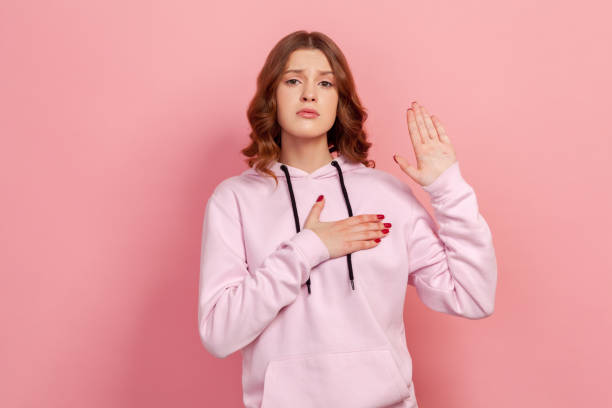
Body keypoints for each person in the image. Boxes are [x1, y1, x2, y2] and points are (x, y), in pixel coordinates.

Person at [197, 30, 498, 408]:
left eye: (325, 82)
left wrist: (448, 189)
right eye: (293, 80)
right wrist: (309, 248)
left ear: (339, 100)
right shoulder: (234, 200)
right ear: (271, 95)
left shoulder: (387, 195)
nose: (309, 93)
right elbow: (219, 333)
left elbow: (473, 296)